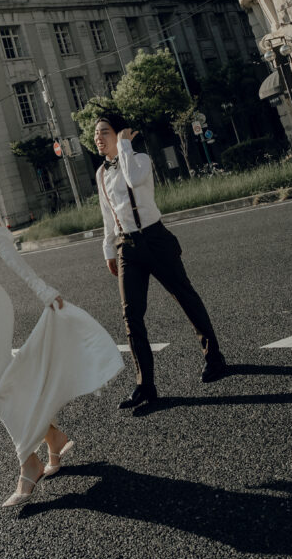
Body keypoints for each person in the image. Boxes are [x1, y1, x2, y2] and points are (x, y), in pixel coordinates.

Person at [0, 156, 123, 508]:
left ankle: (29, 463)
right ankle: (52, 437)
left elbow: (14, 262)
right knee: (8, 381)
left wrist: (45, 292)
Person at [94, 113, 227, 412]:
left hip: (155, 239)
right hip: (126, 246)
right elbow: (107, 216)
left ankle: (214, 357)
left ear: (121, 133)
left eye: (104, 132)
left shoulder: (139, 160)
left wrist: (126, 146)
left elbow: (133, 179)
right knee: (131, 316)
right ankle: (146, 386)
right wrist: (108, 250)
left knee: (185, 296)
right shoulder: (101, 174)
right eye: (95, 135)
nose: (98, 138)